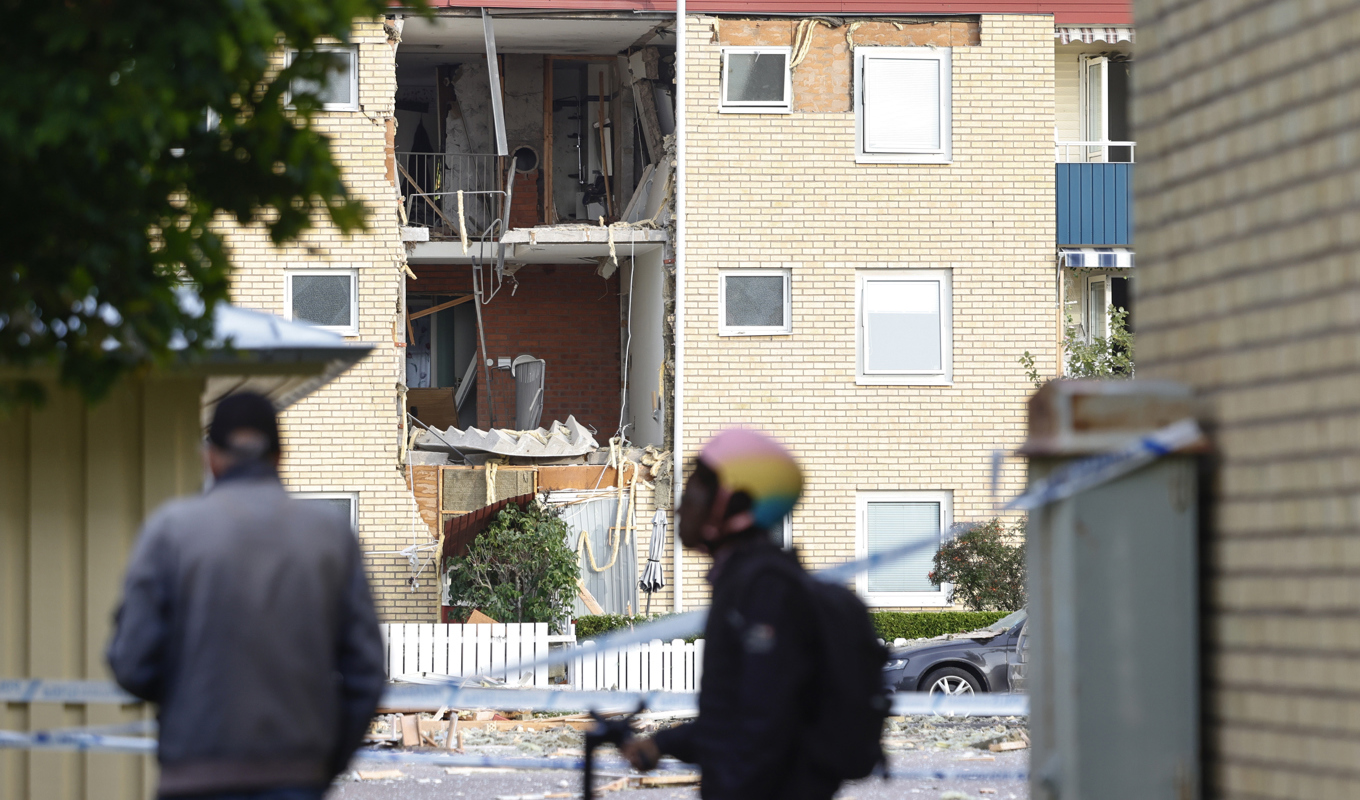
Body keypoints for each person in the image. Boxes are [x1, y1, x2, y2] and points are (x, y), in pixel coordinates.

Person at [107, 392, 385, 800]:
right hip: (297, 773)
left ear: (211, 456)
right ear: (279, 455)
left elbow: (131, 664)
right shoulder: (329, 535)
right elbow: (366, 672)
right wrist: (326, 764)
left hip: (194, 774)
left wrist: (189, 697)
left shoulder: (171, 531)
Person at [620, 428, 842, 800]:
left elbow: (757, 723)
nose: (678, 508)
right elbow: (739, 714)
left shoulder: (763, 594)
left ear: (731, 504)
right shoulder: (747, 583)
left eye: (692, 494)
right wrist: (662, 744)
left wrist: (667, 743)